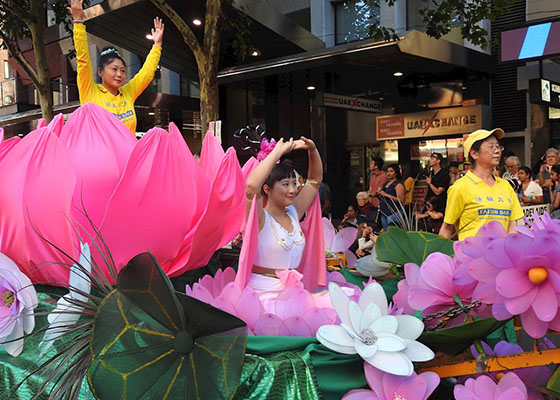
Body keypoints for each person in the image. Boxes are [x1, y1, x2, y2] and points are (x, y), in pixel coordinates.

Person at [69, 0, 164, 134]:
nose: (119, 74)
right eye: (114, 69)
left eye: (123, 70)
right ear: (100, 72)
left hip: (130, 154)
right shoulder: (90, 91)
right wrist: (78, 22)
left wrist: (157, 45)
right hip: (101, 154)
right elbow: (83, 60)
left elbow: (146, 74)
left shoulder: (128, 93)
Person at [243, 136, 322, 291]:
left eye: (294, 183)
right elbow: (251, 186)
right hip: (262, 293)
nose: (292, 190)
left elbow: (314, 181)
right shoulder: (259, 218)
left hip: (293, 291)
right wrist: (277, 152)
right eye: (285, 184)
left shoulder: (294, 212)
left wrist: (312, 150)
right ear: (267, 189)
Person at [439, 129, 523, 240]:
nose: (497, 151)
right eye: (491, 147)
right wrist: (438, 255)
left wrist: (508, 248)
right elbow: (447, 227)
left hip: (500, 256)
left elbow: (513, 222)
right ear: (474, 153)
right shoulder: (460, 187)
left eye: (498, 147)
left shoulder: (505, 186)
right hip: (471, 256)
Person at [377, 164, 405, 231]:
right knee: (386, 231)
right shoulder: (386, 184)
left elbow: (401, 200)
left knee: (392, 230)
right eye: (387, 171)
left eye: (391, 171)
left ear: (396, 173)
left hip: (394, 211)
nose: (388, 173)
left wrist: (386, 195)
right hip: (384, 211)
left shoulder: (398, 184)